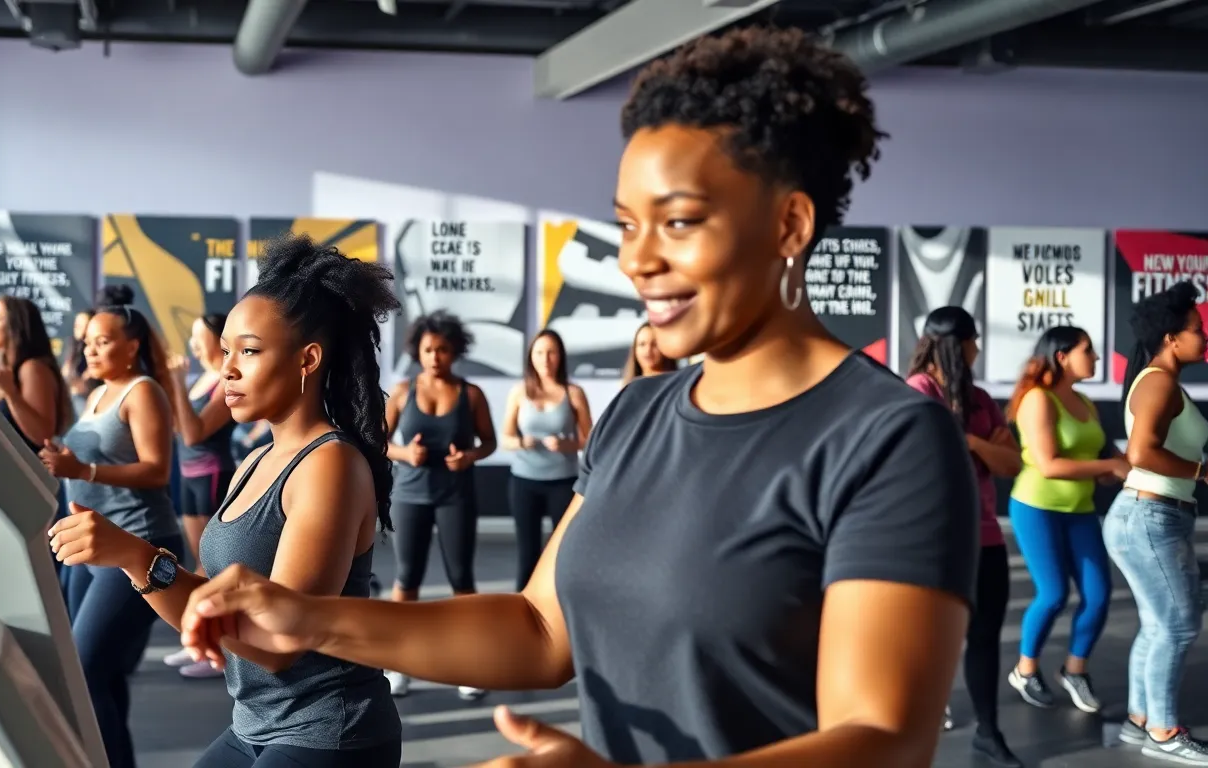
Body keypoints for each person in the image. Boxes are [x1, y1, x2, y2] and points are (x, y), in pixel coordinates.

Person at [177, 27, 978, 768]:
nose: (638, 261)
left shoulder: (887, 435)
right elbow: (538, 629)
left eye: (679, 222)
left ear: (790, 224)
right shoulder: (638, 415)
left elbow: (884, 739)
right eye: (627, 225)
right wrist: (310, 616)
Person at [49, 235, 402, 768]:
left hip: (328, 732)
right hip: (254, 724)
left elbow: (277, 645)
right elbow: (206, 603)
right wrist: (130, 559)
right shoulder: (255, 461)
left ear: (307, 359)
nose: (227, 369)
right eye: (226, 351)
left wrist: (138, 555)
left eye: (249, 351)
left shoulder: (330, 465)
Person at [38, 285, 184, 768]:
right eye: (88, 343)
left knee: (85, 669)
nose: (91, 350)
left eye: (103, 342)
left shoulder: (144, 392)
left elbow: (156, 470)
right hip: (89, 543)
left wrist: (83, 470)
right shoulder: (99, 393)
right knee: (98, 672)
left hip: (136, 539)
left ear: (132, 345)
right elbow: (87, 463)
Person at [905, 306, 1023, 767]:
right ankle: (916, 724)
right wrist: (981, 445)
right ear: (959, 346)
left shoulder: (981, 400)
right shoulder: (919, 391)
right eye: (974, 341)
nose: (978, 349)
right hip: (937, 539)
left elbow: (1010, 464)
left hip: (986, 536)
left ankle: (988, 733)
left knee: (985, 637)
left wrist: (972, 442)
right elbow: (925, 458)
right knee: (930, 637)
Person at [1106, 281, 1208, 764]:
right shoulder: (1159, 382)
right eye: (1197, 329)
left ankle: (1140, 719)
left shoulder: (1163, 381)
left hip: (1152, 516)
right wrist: (1201, 472)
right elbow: (1141, 453)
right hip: (1150, 517)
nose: (1204, 337)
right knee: (1179, 626)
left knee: (1159, 624)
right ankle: (1164, 733)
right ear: (1171, 337)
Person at [1005, 325, 1125, 717]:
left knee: (1098, 595)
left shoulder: (1085, 402)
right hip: (1036, 508)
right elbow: (1049, 465)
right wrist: (1110, 467)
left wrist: (1120, 468)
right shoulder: (1038, 399)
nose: (1096, 358)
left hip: (1080, 511)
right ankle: (1025, 671)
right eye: (1088, 350)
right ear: (1062, 356)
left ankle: (1075, 670)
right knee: (1053, 594)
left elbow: (1099, 457)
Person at [384, 309, 496, 700]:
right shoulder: (402, 391)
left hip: (456, 496)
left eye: (443, 350)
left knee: (462, 580)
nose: (435, 357)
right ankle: (398, 667)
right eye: (429, 349)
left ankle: (470, 665)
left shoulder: (471, 394)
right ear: (418, 351)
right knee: (407, 579)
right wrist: (405, 453)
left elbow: (489, 442)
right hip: (410, 496)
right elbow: (379, 441)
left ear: (454, 351)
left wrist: (469, 457)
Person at [161, 313, 238, 679]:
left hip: (212, 474)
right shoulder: (201, 380)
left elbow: (193, 434)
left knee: (212, 564)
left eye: (198, 337)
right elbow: (179, 426)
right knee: (199, 563)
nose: (191, 345)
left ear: (217, 339)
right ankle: (200, 642)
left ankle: (218, 649)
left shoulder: (225, 380)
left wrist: (177, 382)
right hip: (190, 476)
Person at [501, 329, 592, 590]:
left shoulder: (574, 393)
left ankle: (559, 606)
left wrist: (567, 444)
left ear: (560, 356)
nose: (545, 359)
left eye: (551, 352)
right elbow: (505, 438)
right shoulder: (519, 392)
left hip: (563, 482)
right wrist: (521, 442)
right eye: (539, 352)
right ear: (531, 356)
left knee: (562, 551)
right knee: (527, 554)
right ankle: (522, 607)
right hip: (524, 482)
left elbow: (590, 440)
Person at [0, 295, 75, 451]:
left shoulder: (32, 368)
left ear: (16, 325)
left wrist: (11, 393)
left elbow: (42, 435)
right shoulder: (7, 367)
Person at [621, 321, 677, 386]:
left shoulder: (678, 385)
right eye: (642, 344)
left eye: (654, 344)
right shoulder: (629, 388)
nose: (648, 350)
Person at [61, 309, 96, 416]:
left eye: (81, 323)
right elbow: (65, 374)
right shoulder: (72, 345)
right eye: (76, 323)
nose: (77, 326)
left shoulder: (94, 349)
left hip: (87, 398)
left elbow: (85, 383)